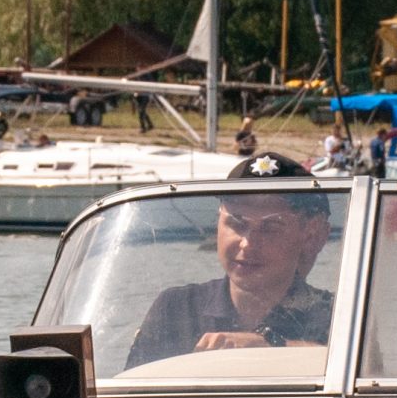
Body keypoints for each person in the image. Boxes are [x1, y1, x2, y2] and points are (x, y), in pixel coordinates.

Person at [124, 153, 336, 368]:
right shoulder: (176, 308)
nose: (247, 243)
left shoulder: (338, 318)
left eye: (271, 228)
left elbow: (352, 369)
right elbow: (129, 396)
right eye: (236, 223)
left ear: (311, 237)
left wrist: (272, 347)